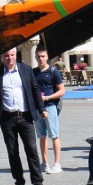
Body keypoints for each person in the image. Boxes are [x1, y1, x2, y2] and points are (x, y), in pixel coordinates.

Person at [0, 47, 49, 185]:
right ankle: (19, 183)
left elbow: (35, 89)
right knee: (13, 152)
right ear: (2, 57)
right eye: (6, 55)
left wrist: (42, 108)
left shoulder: (26, 70)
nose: (9, 58)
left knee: (31, 150)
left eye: (12, 55)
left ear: (15, 55)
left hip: (25, 116)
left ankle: (38, 183)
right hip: (6, 118)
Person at [33, 44, 65, 174]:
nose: (41, 59)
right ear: (35, 57)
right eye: (39, 56)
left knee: (54, 135)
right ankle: (44, 163)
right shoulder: (33, 72)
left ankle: (57, 164)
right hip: (37, 108)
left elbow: (62, 91)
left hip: (50, 106)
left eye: (43, 56)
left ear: (47, 57)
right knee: (42, 136)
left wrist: (48, 97)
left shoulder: (53, 71)